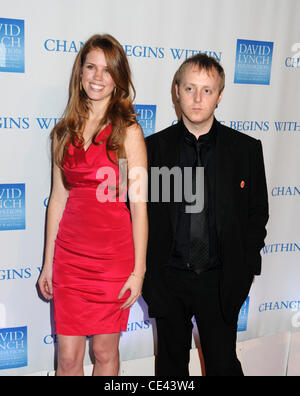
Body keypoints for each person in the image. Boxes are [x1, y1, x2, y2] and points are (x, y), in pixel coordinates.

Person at [143, 54, 269, 376]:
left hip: (221, 280)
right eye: (190, 88)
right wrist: (149, 279)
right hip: (168, 279)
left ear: (220, 95)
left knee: (223, 366)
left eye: (207, 90)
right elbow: (137, 215)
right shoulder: (151, 150)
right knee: (170, 370)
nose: (198, 99)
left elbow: (257, 215)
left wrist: (244, 269)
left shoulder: (246, 150)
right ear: (176, 90)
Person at [38, 34, 148, 376]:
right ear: (80, 72)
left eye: (107, 70)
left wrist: (139, 271)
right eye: (91, 67)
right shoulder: (62, 133)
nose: (98, 77)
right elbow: (58, 199)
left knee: (104, 352)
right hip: (69, 259)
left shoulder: (128, 132)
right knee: (68, 357)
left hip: (112, 263)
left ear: (118, 77)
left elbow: (140, 206)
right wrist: (48, 265)